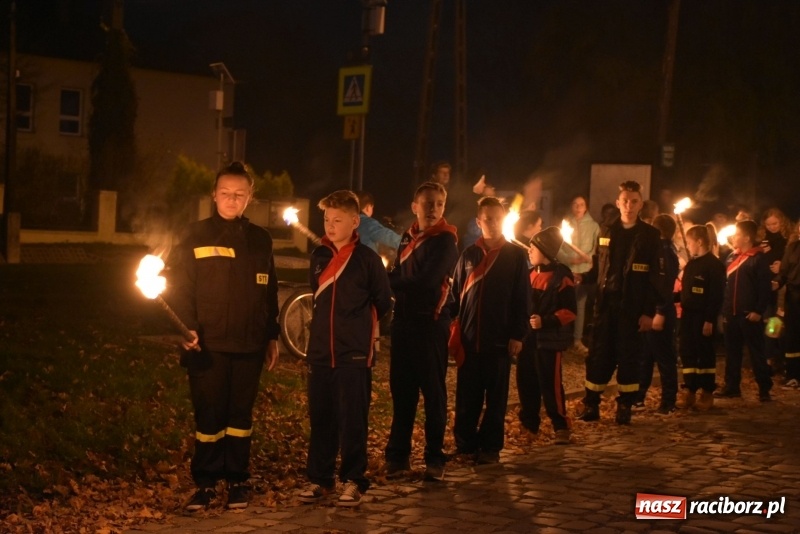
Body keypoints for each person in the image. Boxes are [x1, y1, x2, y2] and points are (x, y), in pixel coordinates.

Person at [167, 161, 280, 512]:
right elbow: (179, 287)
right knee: (209, 417)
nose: (232, 199)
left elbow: (270, 290)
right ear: (214, 195)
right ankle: (205, 483)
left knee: (240, 417)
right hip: (207, 345)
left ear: (250, 198)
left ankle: (237, 481)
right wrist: (186, 327)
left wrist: (271, 335)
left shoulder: (261, 239)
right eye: (226, 193)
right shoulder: (194, 235)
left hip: (250, 344)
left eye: (239, 194)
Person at [298, 190, 393, 507]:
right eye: (327, 219)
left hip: (354, 354)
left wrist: (359, 329)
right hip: (320, 352)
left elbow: (383, 301)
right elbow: (317, 294)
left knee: (353, 420)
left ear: (355, 221)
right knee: (321, 418)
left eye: (337, 220)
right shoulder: (319, 256)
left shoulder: (367, 259)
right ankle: (320, 479)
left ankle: (354, 479)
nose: (330, 225)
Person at [383, 181, 459, 482]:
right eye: (427, 203)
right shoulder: (408, 236)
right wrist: (386, 277)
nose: (433, 209)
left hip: (430, 323)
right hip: (404, 322)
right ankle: (397, 457)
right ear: (415, 206)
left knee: (433, 393)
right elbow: (400, 272)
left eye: (439, 203)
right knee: (402, 392)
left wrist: (385, 281)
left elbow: (426, 281)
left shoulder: (445, 241)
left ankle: (434, 458)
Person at [576, 181, 665, 425]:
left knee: (629, 357)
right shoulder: (606, 231)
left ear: (640, 204)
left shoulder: (650, 236)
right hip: (606, 305)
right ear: (618, 203)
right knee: (598, 354)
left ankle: (625, 406)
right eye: (625, 201)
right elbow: (598, 267)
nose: (629, 205)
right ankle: (591, 404)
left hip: (633, 307)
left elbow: (655, 278)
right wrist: (582, 277)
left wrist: (649, 312)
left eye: (634, 201)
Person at [449, 197, 529, 463]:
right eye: (488, 219)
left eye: (497, 218)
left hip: (499, 340)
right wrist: (450, 326)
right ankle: (465, 445)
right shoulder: (468, 255)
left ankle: (491, 447)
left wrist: (518, 334)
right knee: (467, 396)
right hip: (470, 340)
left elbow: (522, 297)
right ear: (478, 221)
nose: (493, 223)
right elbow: (455, 295)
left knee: (496, 398)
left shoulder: (515, 255)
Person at [517, 226, 576, 444]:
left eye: (533, 248)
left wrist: (546, 321)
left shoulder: (562, 278)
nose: (529, 251)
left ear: (545, 252)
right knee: (526, 381)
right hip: (528, 340)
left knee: (551, 384)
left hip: (549, 341)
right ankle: (529, 424)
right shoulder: (529, 275)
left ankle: (561, 425)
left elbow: (570, 312)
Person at [715, 220, 773, 401]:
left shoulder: (758, 259)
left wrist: (758, 310)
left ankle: (764, 388)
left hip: (749, 314)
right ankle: (732, 386)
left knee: (756, 352)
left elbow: (764, 288)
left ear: (747, 238)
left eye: (737, 234)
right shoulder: (731, 257)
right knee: (732, 353)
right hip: (731, 314)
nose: (734, 237)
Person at [676, 224, 726, 411]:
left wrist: (709, 319)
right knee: (688, 352)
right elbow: (686, 291)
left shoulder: (714, 265)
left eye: (689, 242)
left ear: (699, 242)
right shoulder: (692, 264)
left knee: (705, 354)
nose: (688, 246)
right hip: (688, 316)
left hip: (704, 316)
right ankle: (689, 388)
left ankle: (707, 391)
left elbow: (716, 295)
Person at [633, 214, 680, 414]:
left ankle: (668, 401)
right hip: (651, 309)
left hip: (661, 310)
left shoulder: (664, 252)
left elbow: (663, 284)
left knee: (664, 357)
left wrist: (660, 310)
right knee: (646, 355)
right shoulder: (660, 249)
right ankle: (639, 396)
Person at [562, 195, 599, 357]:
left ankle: (577, 339)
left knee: (580, 305)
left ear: (586, 207)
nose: (578, 207)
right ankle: (563, 338)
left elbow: (596, 248)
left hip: (585, 272)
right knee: (564, 304)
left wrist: (588, 258)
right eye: (575, 204)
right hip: (568, 270)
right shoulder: (565, 224)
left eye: (581, 204)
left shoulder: (594, 226)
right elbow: (559, 247)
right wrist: (569, 259)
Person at [773, 220, 800, 389]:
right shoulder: (793, 247)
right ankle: (793, 375)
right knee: (793, 336)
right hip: (794, 298)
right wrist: (776, 283)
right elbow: (783, 272)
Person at [354, 190, 401, 255]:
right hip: (365, 260)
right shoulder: (367, 223)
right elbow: (389, 237)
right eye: (372, 207)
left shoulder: (347, 223)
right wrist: (407, 243)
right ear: (368, 207)